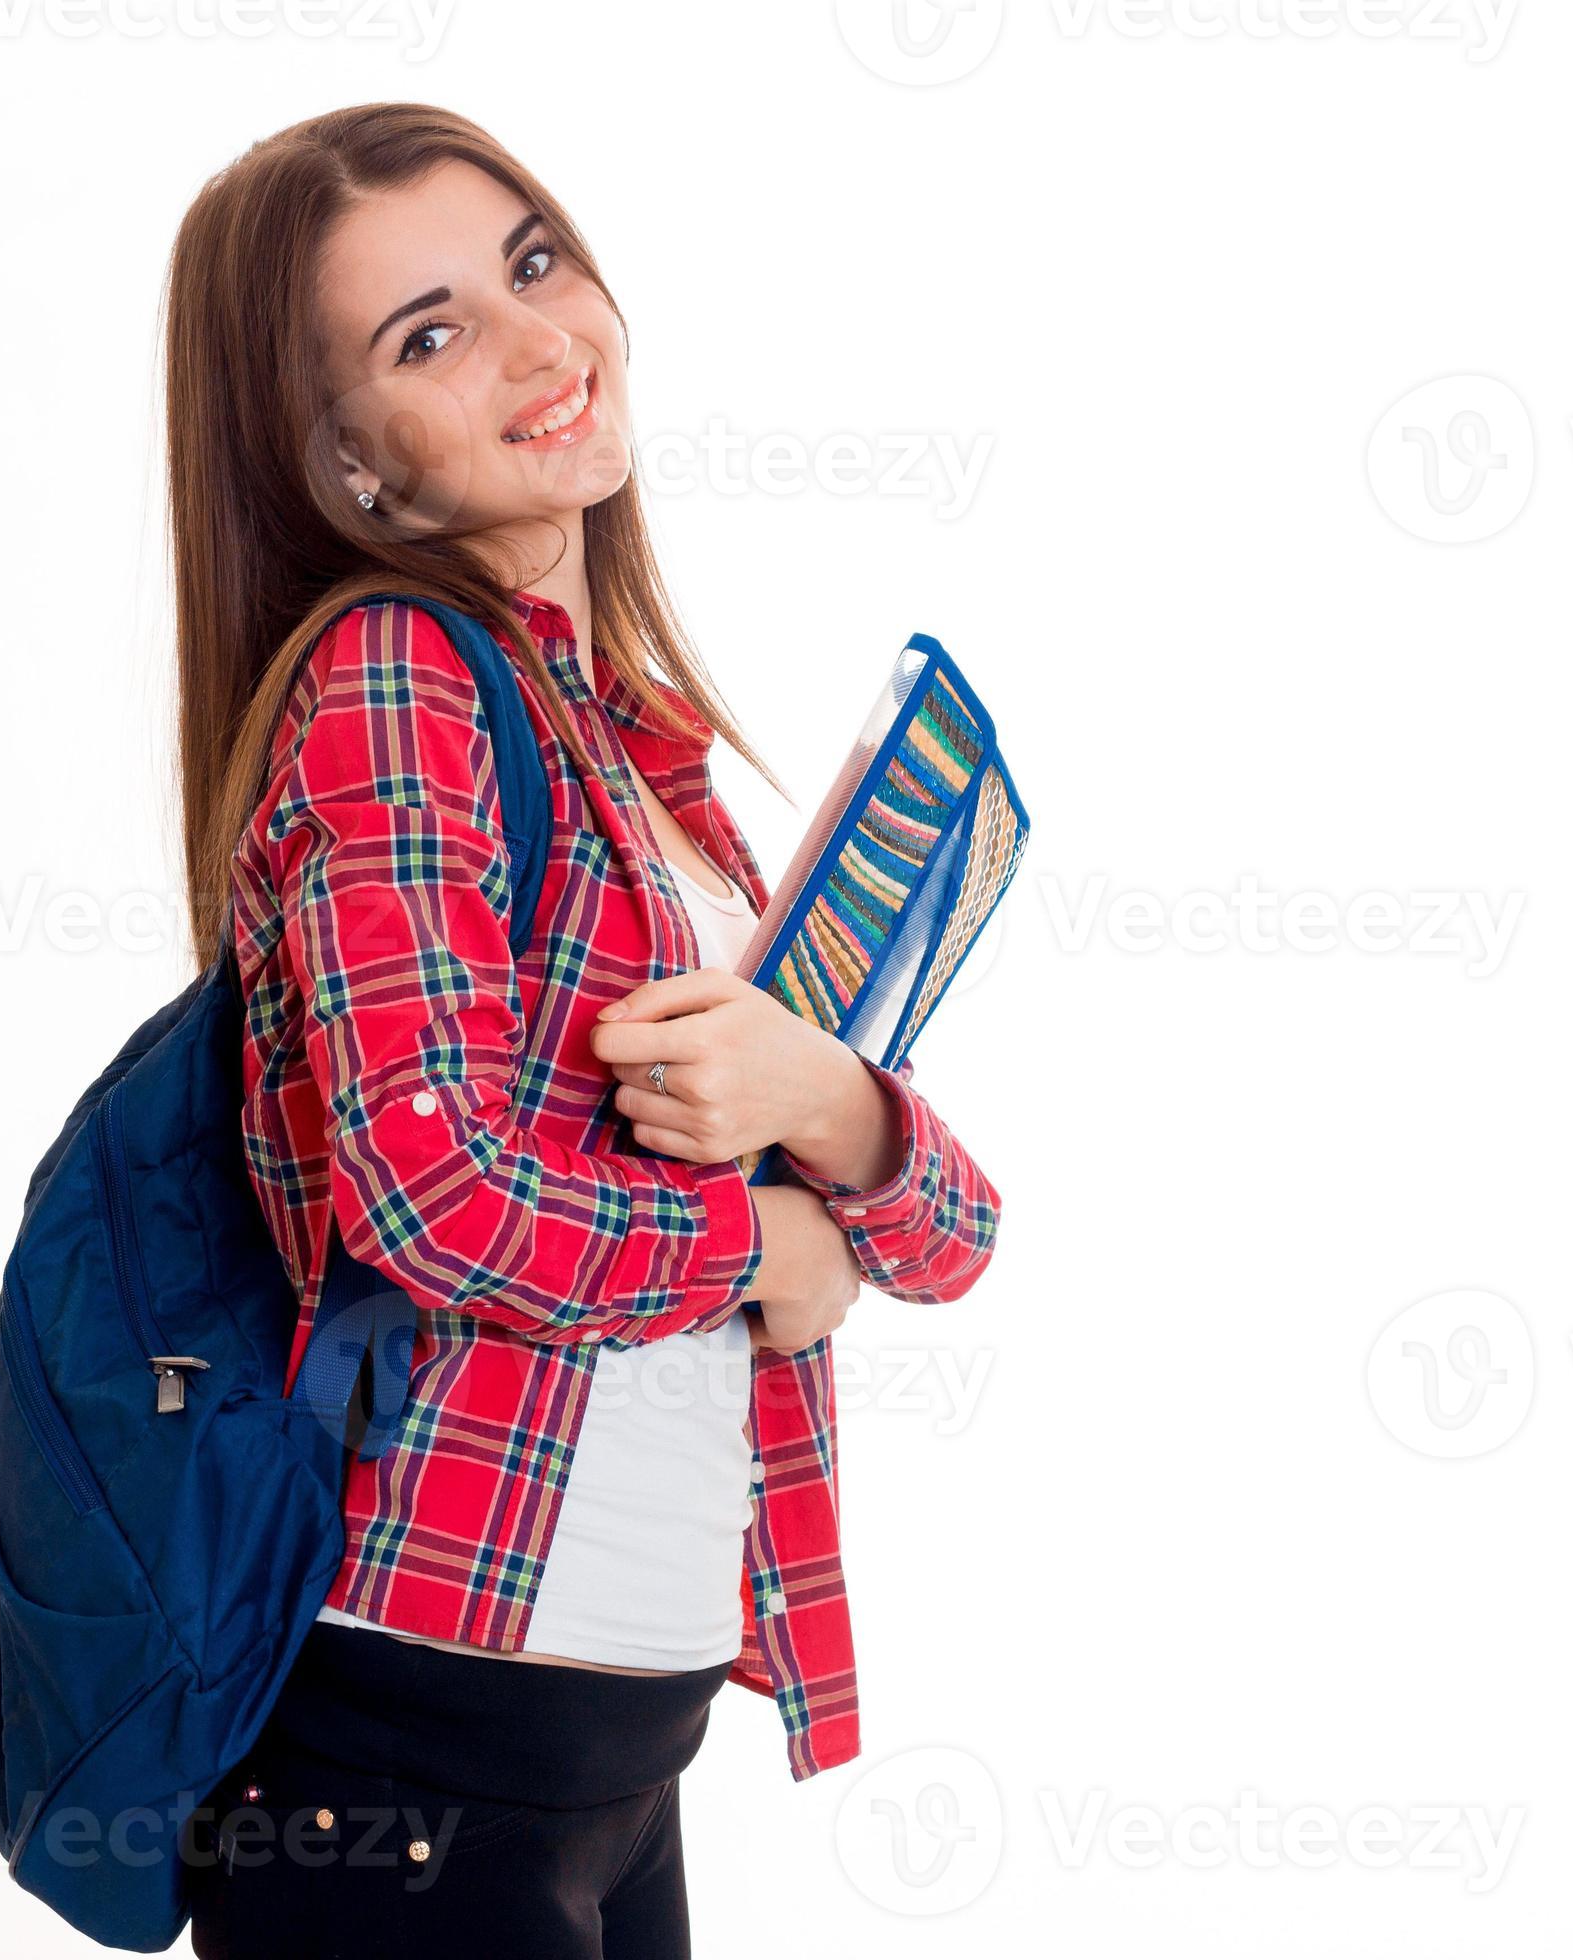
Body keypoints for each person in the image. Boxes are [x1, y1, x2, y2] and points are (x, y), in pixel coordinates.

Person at [163, 102, 1003, 1959]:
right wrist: (766, 1237)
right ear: (349, 468)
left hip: (611, 1733)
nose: (545, 343)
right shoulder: (392, 685)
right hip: (412, 1735)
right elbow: (429, 1193)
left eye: (534, 262)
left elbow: (955, 1238)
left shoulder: (637, 749)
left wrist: (833, 1109)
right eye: (430, 334)